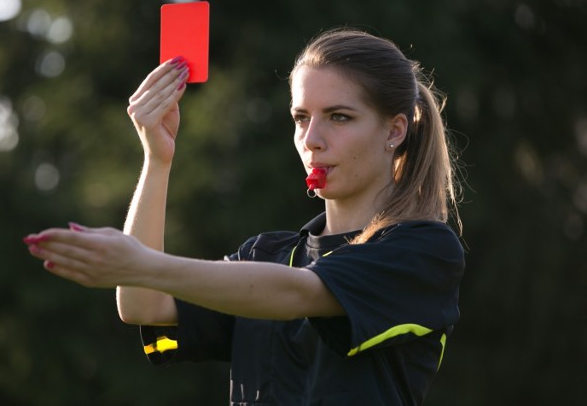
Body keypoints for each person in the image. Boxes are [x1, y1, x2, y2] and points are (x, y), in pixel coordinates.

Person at [24, 27, 465, 405]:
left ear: (394, 130)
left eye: (339, 117)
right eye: (301, 117)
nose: (311, 139)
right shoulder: (265, 254)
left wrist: (139, 263)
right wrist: (157, 159)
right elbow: (143, 304)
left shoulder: (424, 250)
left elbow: (301, 293)